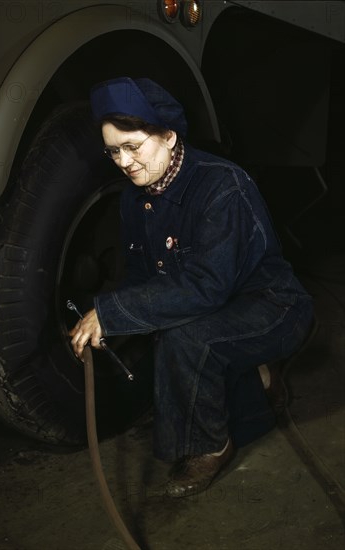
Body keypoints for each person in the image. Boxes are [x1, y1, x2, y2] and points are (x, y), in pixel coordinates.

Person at [69, 77, 314, 498]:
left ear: (168, 136)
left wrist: (112, 313)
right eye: (113, 151)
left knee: (187, 337)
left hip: (272, 306)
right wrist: (106, 321)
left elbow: (206, 288)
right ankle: (257, 383)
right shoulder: (134, 198)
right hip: (219, 308)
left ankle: (209, 446)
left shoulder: (221, 186)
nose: (124, 162)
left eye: (133, 146)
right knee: (171, 330)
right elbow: (144, 282)